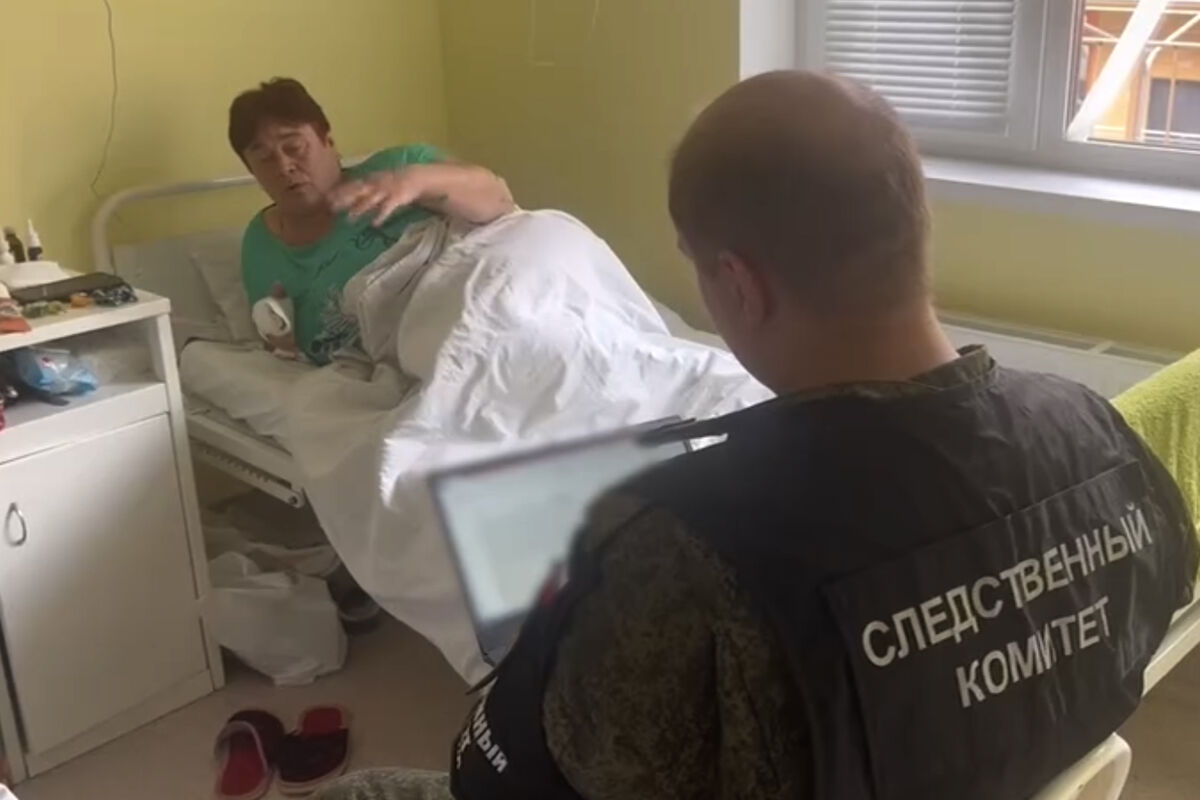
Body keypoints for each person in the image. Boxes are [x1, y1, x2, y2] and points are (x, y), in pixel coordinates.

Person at [315, 71, 1198, 800]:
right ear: (913, 228)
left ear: (739, 286)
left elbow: (536, 775)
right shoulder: (1100, 433)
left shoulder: (681, 550)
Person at [229, 77, 514, 364]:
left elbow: (499, 201)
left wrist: (414, 183)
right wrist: (280, 340)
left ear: (328, 141)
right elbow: (276, 334)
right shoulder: (260, 244)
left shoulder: (399, 166)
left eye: (294, 147)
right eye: (264, 159)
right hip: (381, 366)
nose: (284, 167)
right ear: (253, 172)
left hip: (474, 323)